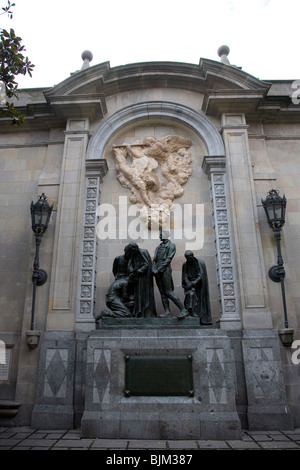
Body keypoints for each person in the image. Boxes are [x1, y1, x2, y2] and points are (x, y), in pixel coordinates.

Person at [152, 230, 188, 319]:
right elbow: (155, 260)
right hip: (157, 271)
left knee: (168, 291)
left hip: (165, 270)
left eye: (160, 234)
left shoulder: (171, 245)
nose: (159, 235)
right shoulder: (158, 247)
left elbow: (168, 259)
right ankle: (167, 312)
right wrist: (153, 269)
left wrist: (159, 269)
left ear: (165, 235)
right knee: (162, 293)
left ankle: (183, 309)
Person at [126, 242, 157, 318]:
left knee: (146, 296)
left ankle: (147, 313)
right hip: (137, 278)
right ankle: (139, 313)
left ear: (135, 248)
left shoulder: (144, 252)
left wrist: (139, 271)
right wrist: (132, 270)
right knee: (137, 295)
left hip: (145, 278)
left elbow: (147, 264)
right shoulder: (132, 254)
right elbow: (129, 265)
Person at [182, 250, 212, 325]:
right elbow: (184, 276)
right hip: (189, 285)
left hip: (199, 285)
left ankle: (202, 317)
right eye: (186, 258)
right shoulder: (185, 264)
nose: (188, 260)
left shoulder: (200, 263)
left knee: (200, 300)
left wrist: (193, 283)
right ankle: (190, 312)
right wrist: (188, 284)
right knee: (190, 294)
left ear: (192, 256)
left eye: (189, 258)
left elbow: (201, 275)